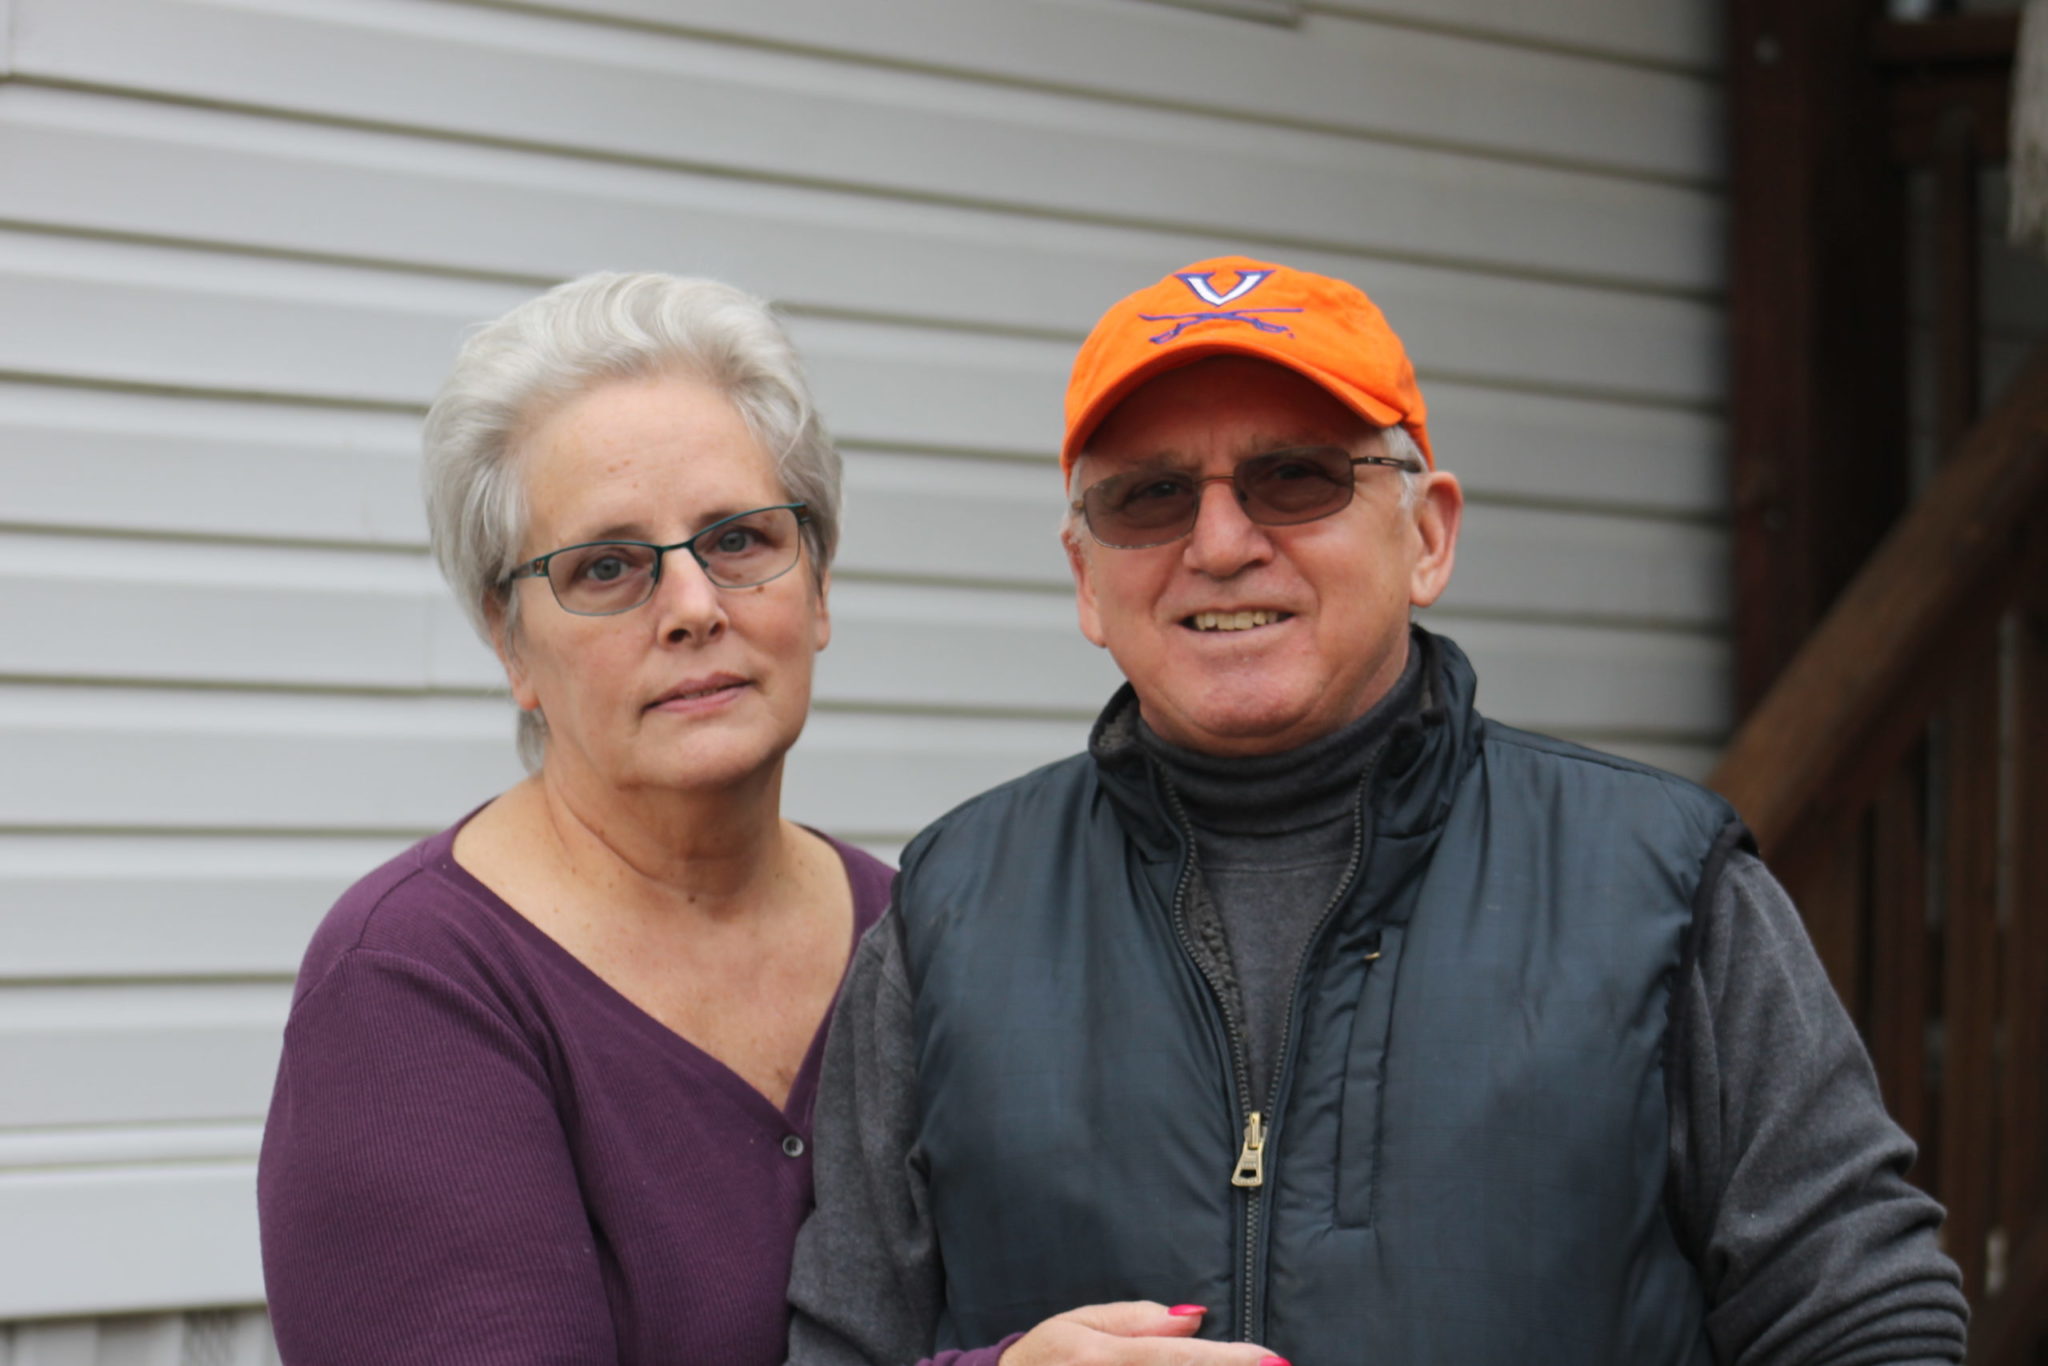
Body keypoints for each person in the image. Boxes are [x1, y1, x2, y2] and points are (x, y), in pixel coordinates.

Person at [787, 257, 1971, 1366]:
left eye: (1294, 477)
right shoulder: (950, 911)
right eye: (1148, 497)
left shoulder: (1656, 883)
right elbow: (841, 1342)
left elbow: (1863, 1313)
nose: (1218, 543)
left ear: (1429, 534)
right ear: (1084, 579)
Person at [258, 272, 894, 1365]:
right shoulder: (414, 983)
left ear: (820, 585)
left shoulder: (919, 931)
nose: (694, 608)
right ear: (510, 645)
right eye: (606, 567)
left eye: (739, 539)